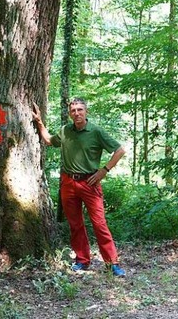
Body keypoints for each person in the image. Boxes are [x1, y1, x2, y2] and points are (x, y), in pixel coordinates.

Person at [32, 97, 126, 277]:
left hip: (90, 183)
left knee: (99, 224)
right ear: (70, 114)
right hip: (68, 183)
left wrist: (104, 170)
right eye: (73, 110)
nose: (77, 113)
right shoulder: (66, 131)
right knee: (75, 224)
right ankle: (82, 260)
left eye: (80, 110)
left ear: (86, 112)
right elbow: (50, 141)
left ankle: (112, 263)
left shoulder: (96, 131)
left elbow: (119, 150)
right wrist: (39, 122)